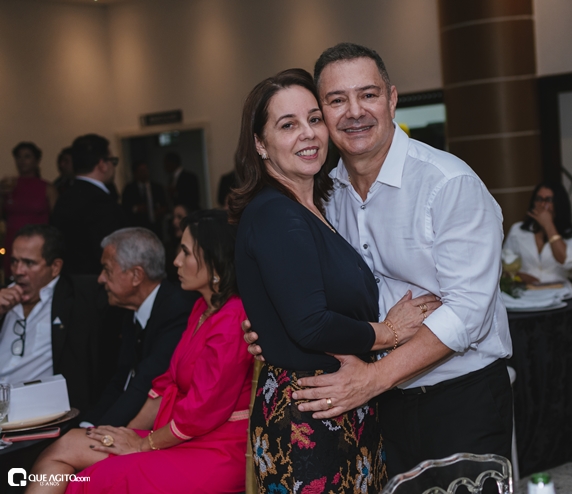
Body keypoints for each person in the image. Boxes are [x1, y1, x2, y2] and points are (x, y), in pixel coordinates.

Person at [245, 44, 512, 477]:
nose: (355, 112)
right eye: (336, 100)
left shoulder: (448, 184)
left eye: (367, 95)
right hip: (375, 406)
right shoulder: (324, 196)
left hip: (459, 398)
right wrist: (275, 327)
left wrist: (375, 377)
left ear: (391, 99)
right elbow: (319, 295)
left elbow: (468, 312)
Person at [230, 68, 440, 492]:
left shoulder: (313, 207)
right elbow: (311, 324)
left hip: (340, 403)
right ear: (260, 143)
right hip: (310, 416)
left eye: (314, 119)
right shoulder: (277, 214)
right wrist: (387, 332)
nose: (308, 134)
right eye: (288, 125)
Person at [29, 210, 254, 494]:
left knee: (86, 481)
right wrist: (127, 435)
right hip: (179, 435)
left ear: (214, 259)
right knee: (63, 446)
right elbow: (165, 384)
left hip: (215, 450)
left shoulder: (232, 319)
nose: (176, 261)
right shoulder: (203, 307)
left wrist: (142, 444)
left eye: (185, 252)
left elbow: (201, 412)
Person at [80, 227, 196, 427]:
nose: (101, 278)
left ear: (136, 275)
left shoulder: (177, 311)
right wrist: (88, 425)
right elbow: (121, 380)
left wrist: (97, 436)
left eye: (107, 270)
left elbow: (146, 382)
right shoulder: (130, 313)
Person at [0, 224, 120, 411]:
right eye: (14, 261)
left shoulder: (80, 296)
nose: (18, 271)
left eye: (29, 263)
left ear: (55, 267)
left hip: (40, 414)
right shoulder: (3, 299)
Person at [50, 134, 127, 275]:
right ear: (102, 164)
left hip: (70, 279)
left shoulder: (64, 198)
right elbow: (111, 253)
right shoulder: (100, 201)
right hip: (97, 280)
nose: (113, 166)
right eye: (113, 161)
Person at [503, 180, 572, 285]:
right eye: (539, 199)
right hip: (525, 288)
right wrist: (519, 276)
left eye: (549, 200)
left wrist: (548, 225)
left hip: (557, 289)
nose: (543, 205)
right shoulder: (518, 230)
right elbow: (505, 263)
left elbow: (567, 262)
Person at [1, 142, 58, 280]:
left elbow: (57, 218)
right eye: (19, 157)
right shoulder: (8, 186)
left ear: (36, 160)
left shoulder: (47, 188)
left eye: (27, 156)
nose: (22, 161)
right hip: (12, 240)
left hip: (38, 242)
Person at [121, 160, 167, 237]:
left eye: (145, 170)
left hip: (155, 227)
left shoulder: (157, 187)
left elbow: (165, 205)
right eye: (141, 171)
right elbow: (125, 207)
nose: (144, 173)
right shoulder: (129, 189)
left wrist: (160, 211)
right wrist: (136, 208)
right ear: (135, 173)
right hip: (137, 227)